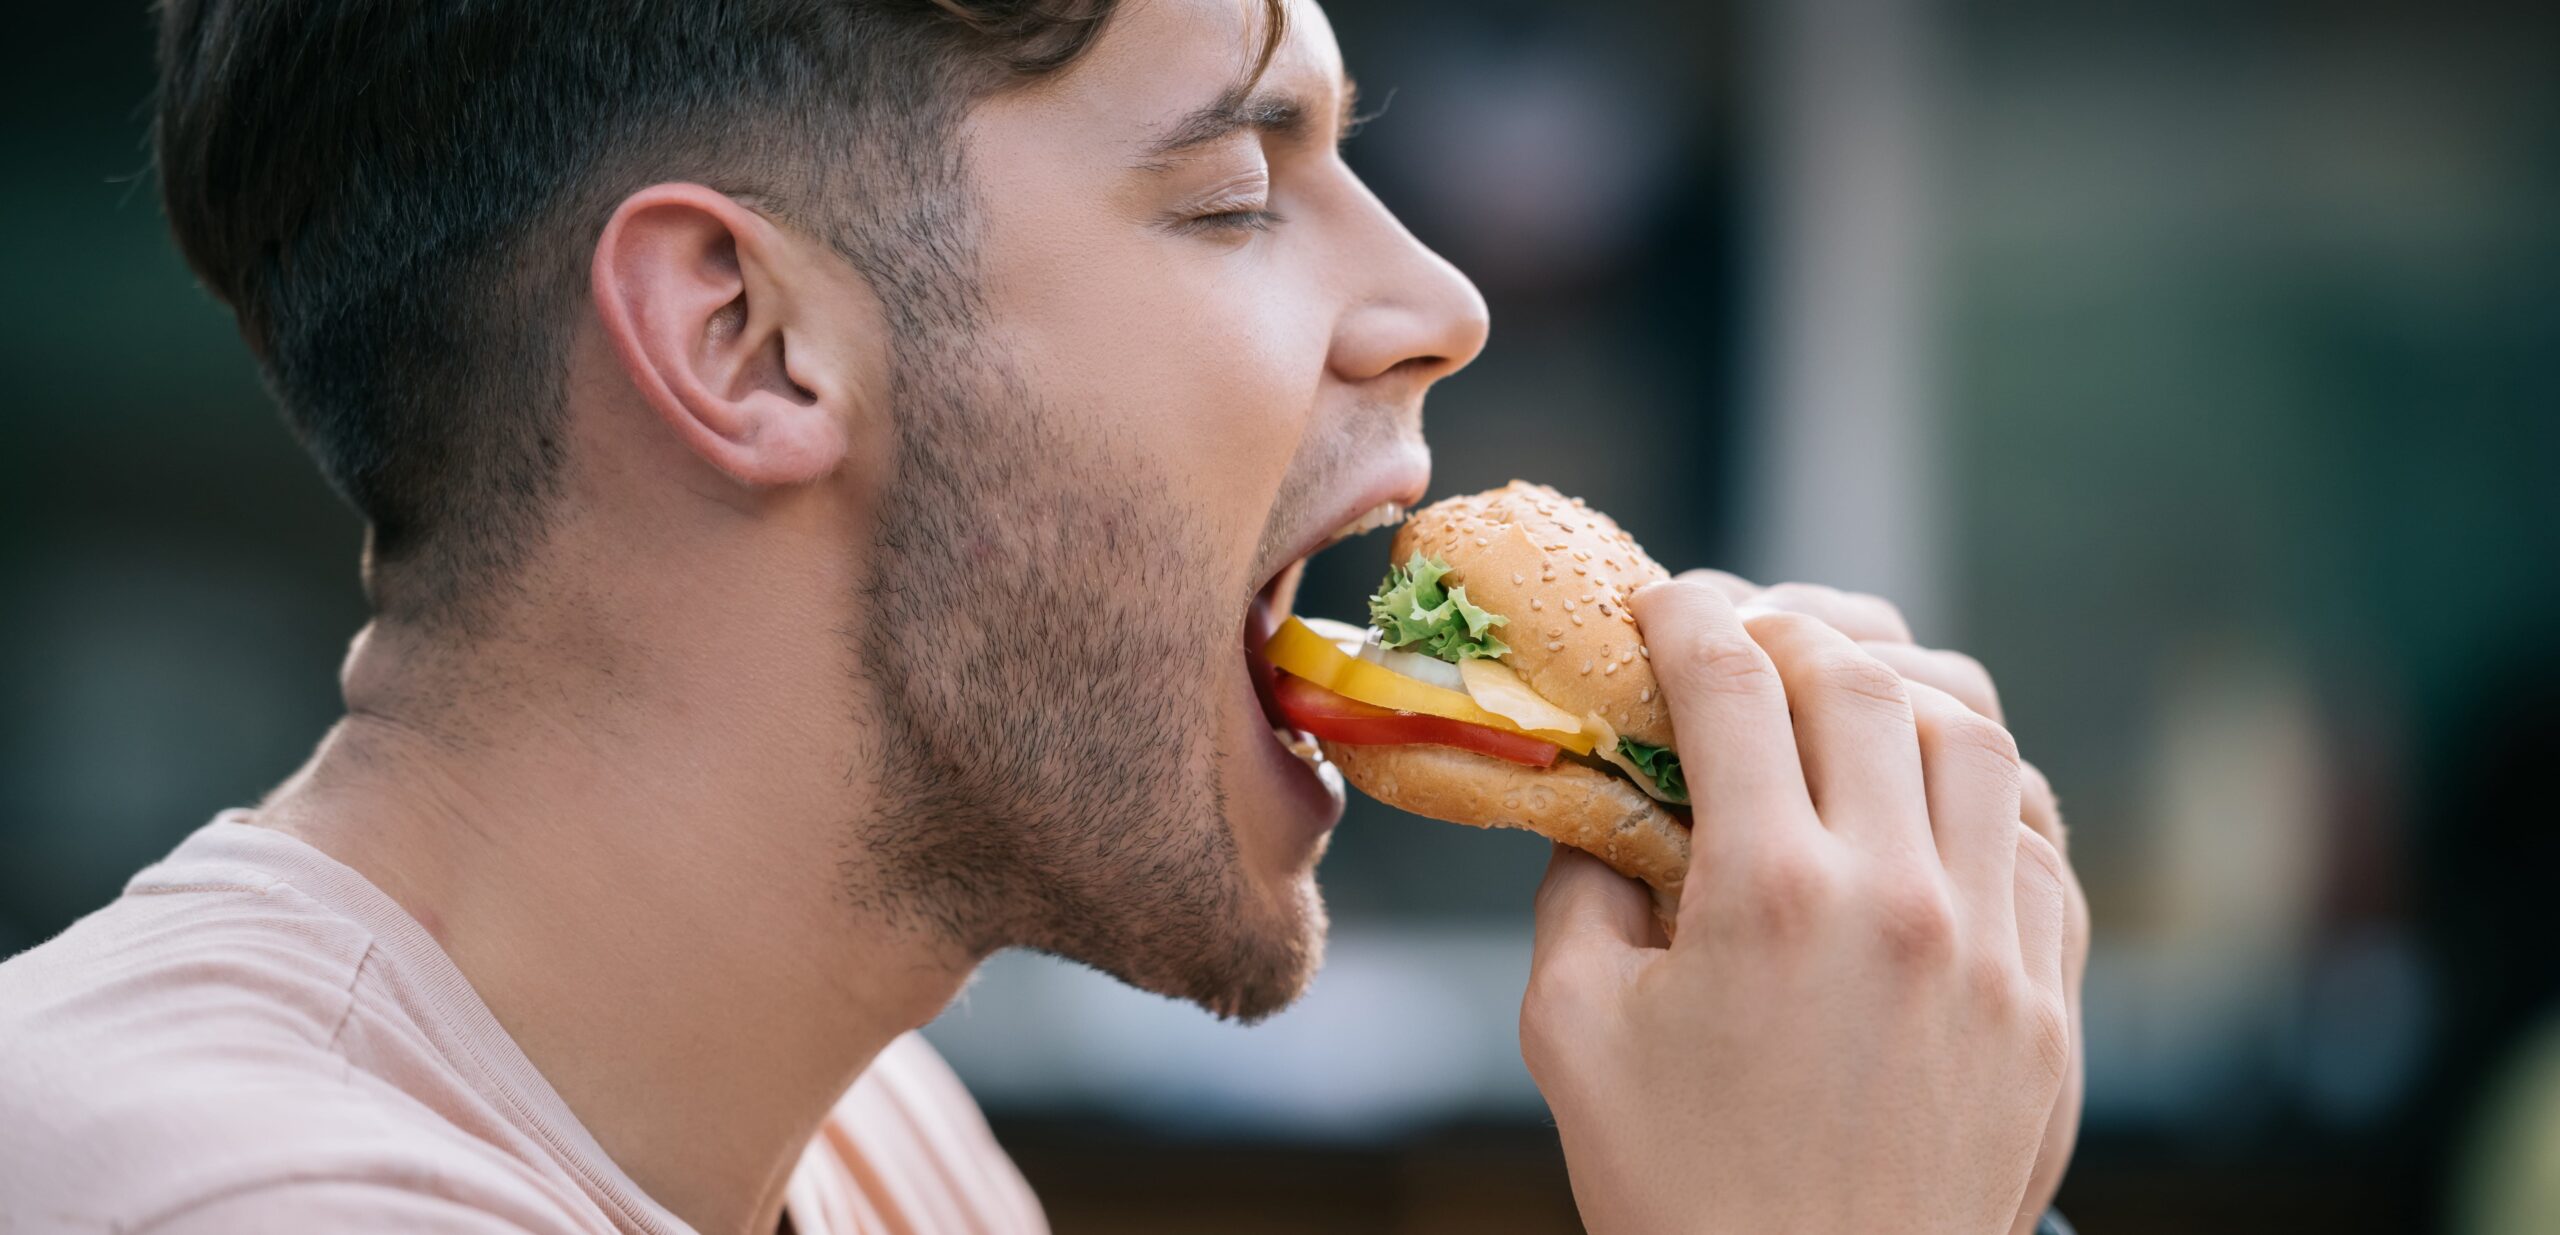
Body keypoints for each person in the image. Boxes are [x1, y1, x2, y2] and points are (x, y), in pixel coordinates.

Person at [0, 1, 2088, 1232]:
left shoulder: (870, 1143)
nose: (1438, 306)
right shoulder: (213, 1196)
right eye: (1234, 188)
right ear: (744, 340)